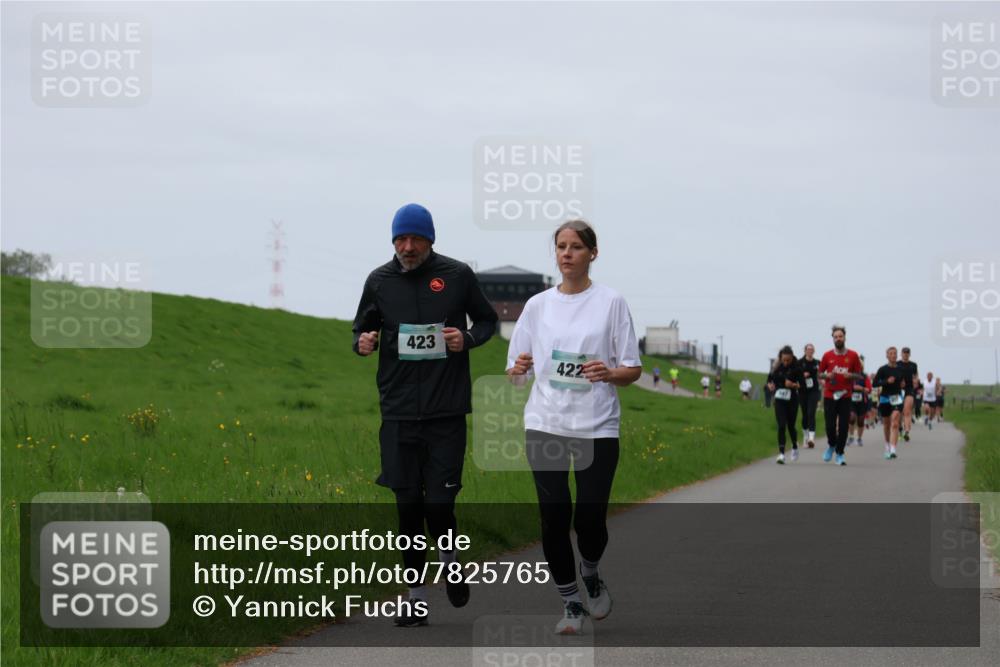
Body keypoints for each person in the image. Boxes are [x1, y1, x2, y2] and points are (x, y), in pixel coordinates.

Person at [352, 203, 499, 627]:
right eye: (401, 239)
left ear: (431, 239)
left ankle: (450, 559)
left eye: (416, 239)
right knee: (408, 508)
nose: (408, 247)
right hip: (397, 412)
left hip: (445, 411)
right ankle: (415, 599)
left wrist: (466, 337)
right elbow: (361, 328)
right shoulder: (378, 280)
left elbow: (487, 320)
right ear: (392, 240)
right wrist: (362, 342)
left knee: (438, 505)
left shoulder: (456, 275)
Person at [507, 219, 641, 636]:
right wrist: (519, 369)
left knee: (589, 519)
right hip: (545, 422)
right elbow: (516, 371)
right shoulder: (537, 306)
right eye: (561, 247)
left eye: (576, 247)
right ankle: (570, 603)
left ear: (592, 254)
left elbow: (632, 369)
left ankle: (591, 570)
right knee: (552, 515)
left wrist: (609, 372)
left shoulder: (611, 302)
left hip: (597, 425)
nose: (567, 254)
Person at [818, 324, 864, 466]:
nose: (838, 339)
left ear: (845, 337)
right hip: (830, 395)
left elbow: (860, 375)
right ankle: (832, 445)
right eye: (836, 337)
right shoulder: (827, 355)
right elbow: (819, 374)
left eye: (840, 336)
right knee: (830, 426)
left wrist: (851, 375)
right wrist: (826, 376)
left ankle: (839, 453)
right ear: (833, 338)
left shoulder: (853, 355)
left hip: (845, 395)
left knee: (843, 426)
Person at [766, 346, 803, 464]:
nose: (786, 363)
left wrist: (793, 385)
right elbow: (770, 379)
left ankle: (795, 447)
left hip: (792, 399)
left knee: (791, 426)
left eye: (788, 360)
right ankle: (781, 454)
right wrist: (770, 385)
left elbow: (802, 384)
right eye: (784, 360)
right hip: (779, 399)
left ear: (792, 357)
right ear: (781, 358)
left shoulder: (797, 368)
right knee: (781, 425)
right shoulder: (777, 367)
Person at [873, 346, 907, 460]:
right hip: (885, 399)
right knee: (887, 424)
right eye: (891, 353)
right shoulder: (882, 369)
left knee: (895, 422)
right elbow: (875, 383)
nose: (893, 355)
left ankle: (893, 448)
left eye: (895, 353)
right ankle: (887, 445)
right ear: (887, 356)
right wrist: (886, 381)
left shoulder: (900, 369)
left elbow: (903, 382)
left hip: (897, 397)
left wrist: (902, 384)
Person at [798, 344, 820, 448]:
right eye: (808, 349)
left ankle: (811, 438)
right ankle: (805, 436)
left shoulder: (817, 363)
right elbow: (794, 374)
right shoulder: (799, 362)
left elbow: (822, 373)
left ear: (814, 351)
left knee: (811, 413)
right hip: (802, 391)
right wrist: (802, 375)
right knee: (805, 415)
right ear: (805, 350)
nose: (810, 351)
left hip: (814, 391)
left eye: (812, 349)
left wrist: (822, 379)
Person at [897, 347, 919, 441]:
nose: (905, 354)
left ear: (909, 354)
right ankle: (900, 429)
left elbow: (916, 375)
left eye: (907, 353)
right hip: (898, 389)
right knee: (898, 412)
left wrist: (915, 381)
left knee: (907, 411)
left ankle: (906, 431)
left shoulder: (913, 365)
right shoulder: (897, 364)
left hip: (909, 389)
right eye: (904, 353)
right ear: (901, 354)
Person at [847, 357, 868, 448]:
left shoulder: (864, 376)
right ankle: (851, 436)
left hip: (862, 400)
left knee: (860, 420)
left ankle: (859, 438)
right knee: (851, 417)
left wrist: (861, 388)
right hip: (851, 400)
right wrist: (851, 389)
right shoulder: (849, 375)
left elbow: (869, 389)